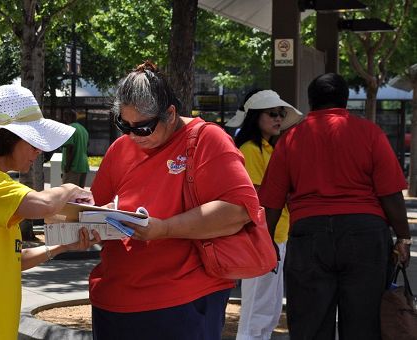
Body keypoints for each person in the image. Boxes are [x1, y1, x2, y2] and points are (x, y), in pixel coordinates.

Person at [88, 60, 261, 340]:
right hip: (114, 298)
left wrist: (164, 228)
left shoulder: (207, 139)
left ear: (170, 113)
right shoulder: (121, 147)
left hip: (183, 298)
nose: (133, 135)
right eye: (124, 124)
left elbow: (239, 209)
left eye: (143, 127)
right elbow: (96, 207)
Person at [0, 85, 101, 340]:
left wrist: (62, 246)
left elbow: (14, 259)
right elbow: (42, 206)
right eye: (32, 141)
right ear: (7, 137)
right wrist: (70, 187)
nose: (38, 151)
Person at [259, 73, 411, 339]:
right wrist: (404, 238)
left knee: (310, 323)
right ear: (345, 100)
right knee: (365, 324)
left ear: (310, 101)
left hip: (309, 235)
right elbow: (390, 194)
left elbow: (271, 201)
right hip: (365, 235)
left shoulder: (290, 139)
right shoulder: (370, 133)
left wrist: (265, 242)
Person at [232, 90, 302, 340]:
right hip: (260, 236)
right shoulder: (251, 149)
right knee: (256, 310)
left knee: (269, 309)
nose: (278, 119)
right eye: (272, 114)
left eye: (281, 114)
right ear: (255, 117)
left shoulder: (270, 148)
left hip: (276, 234)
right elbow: (259, 193)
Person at [61, 110, 90, 187]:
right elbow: (87, 145)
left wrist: (67, 166)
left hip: (73, 167)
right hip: (83, 166)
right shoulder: (83, 130)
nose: (65, 119)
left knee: (69, 194)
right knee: (79, 195)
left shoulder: (69, 128)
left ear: (69, 117)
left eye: (65, 117)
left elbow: (70, 147)